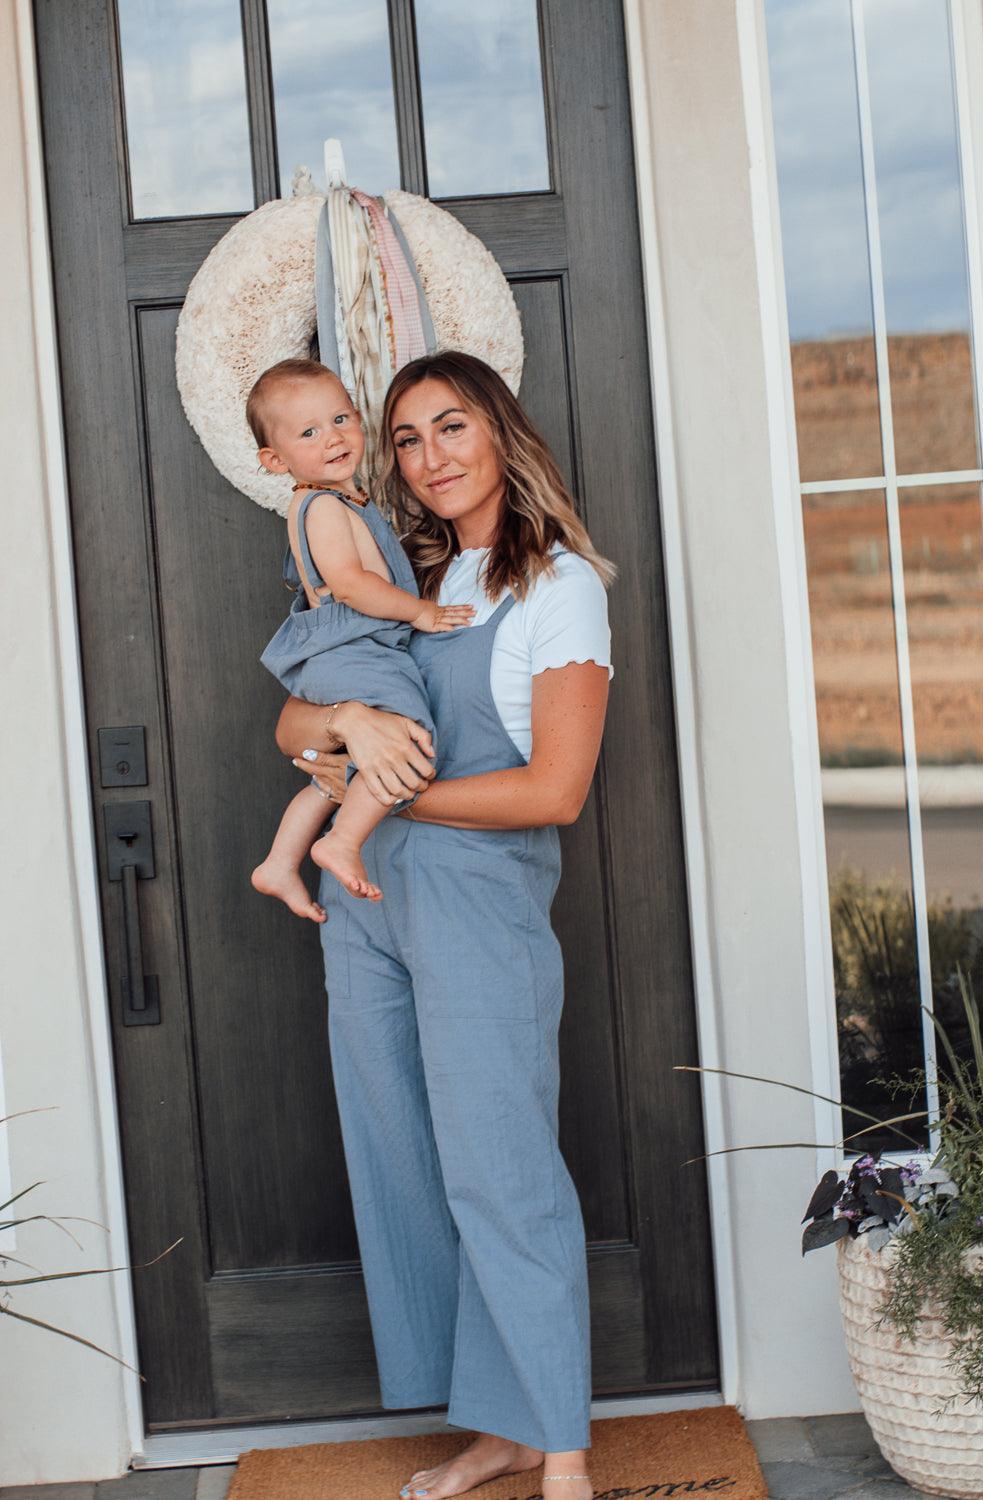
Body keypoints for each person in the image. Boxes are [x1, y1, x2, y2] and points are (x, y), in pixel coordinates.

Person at [275, 351, 613, 1500]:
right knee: (406, 1166)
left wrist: (394, 787)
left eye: (451, 426)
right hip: (367, 903)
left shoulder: (557, 586)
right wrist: (348, 721)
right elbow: (289, 726)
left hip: (474, 903)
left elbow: (555, 790)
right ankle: (499, 1426)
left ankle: (562, 1449)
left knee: (500, 1169)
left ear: (499, 431)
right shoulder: (393, 569)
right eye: (408, 438)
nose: (430, 457)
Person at [248, 358, 474, 917]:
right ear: (275, 460)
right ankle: (342, 842)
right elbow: (350, 585)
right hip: (355, 650)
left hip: (348, 653)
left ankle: (280, 861)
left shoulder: (345, 498)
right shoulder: (323, 505)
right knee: (408, 737)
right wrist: (420, 612)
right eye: (308, 432)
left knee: (339, 777)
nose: (332, 438)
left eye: (340, 419)